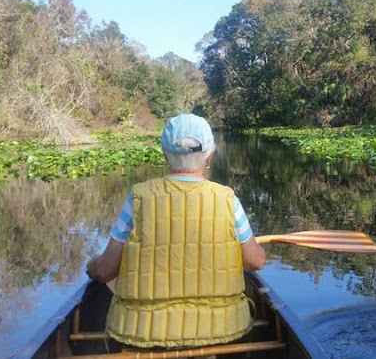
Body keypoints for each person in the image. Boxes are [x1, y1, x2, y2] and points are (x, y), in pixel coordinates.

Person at [85, 113, 266, 348]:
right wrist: (256, 251)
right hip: (223, 329)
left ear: (164, 154)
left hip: (142, 332)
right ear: (209, 155)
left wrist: (92, 266)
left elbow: (105, 271)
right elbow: (254, 262)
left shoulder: (138, 197)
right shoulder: (227, 200)